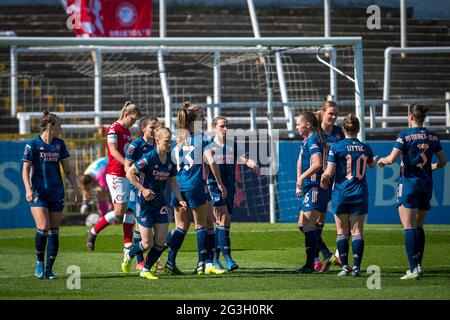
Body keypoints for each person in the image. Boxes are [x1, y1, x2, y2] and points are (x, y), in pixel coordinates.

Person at [377, 104, 446, 280]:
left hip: (409, 183)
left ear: (410, 116)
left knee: (408, 227)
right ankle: (419, 266)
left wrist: (382, 161)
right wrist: (433, 166)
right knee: (419, 226)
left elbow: (392, 159)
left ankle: (413, 268)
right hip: (426, 184)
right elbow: (443, 162)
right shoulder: (433, 136)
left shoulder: (405, 135)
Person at [164, 102, 227, 276]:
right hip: (195, 186)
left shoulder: (176, 140)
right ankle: (202, 264)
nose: (204, 119)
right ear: (193, 122)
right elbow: (212, 162)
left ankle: (170, 260)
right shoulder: (201, 139)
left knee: (180, 226)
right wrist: (220, 184)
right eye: (201, 118)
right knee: (202, 224)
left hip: (178, 187)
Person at [122, 123, 188, 280]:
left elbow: (173, 181)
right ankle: (129, 254)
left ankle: (145, 269)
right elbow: (130, 173)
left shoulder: (170, 159)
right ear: (157, 141)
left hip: (160, 204)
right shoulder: (149, 158)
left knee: (161, 241)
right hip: (144, 204)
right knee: (147, 244)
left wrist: (180, 199)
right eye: (166, 141)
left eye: (170, 141)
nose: (169, 144)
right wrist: (142, 189)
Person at [22, 110, 80, 279]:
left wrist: (75, 188)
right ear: (50, 126)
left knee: (54, 230)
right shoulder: (32, 144)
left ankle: (49, 270)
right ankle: (40, 262)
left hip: (56, 192)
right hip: (39, 192)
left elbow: (68, 169)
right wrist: (28, 189)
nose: (61, 128)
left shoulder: (59, 144)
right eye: (60, 125)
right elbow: (25, 169)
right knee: (43, 227)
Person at [320, 114, 376, 277]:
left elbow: (329, 172)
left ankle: (345, 266)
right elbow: (371, 164)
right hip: (360, 193)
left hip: (342, 193)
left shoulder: (336, 147)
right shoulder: (366, 148)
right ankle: (357, 267)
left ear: (343, 129)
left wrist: (323, 178)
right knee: (357, 231)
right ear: (358, 130)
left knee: (342, 231)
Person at [206, 116, 260, 271]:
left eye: (227, 126)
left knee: (223, 223)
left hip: (230, 187)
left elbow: (245, 159)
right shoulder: (209, 146)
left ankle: (215, 259)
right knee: (223, 220)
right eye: (222, 126)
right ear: (214, 127)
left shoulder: (233, 145)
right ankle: (228, 258)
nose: (225, 129)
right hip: (214, 186)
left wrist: (253, 164)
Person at [87, 101, 141, 252]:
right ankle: (93, 232)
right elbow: (113, 151)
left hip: (127, 173)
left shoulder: (126, 130)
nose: (134, 123)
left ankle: (127, 244)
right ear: (126, 114)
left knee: (130, 208)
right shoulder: (113, 129)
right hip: (116, 174)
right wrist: (127, 165)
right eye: (133, 119)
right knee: (119, 211)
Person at [295, 111, 328, 274]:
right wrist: (299, 182)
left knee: (308, 225)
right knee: (303, 225)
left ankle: (310, 264)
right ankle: (325, 254)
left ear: (307, 124)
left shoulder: (314, 139)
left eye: (298, 123)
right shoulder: (307, 140)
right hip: (308, 186)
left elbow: (317, 164)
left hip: (314, 186)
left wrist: (301, 178)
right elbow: (301, 162)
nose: (296, 127)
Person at [124, 116, 159, 271]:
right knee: (140, 223)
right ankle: (140, 261)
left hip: (154, 189)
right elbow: (128, 168)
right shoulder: (136, 145)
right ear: (143, 128)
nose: (154, 130)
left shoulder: (159, 144)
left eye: (156, 127)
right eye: (152, 127)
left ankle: (147, 259)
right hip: (138, 190)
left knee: (153, 227)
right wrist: (139, 187)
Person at [315, 100, 344, 271]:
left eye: (335, 114)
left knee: (340, 218)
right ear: (323, 113)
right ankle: (326, 255)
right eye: (330, 113)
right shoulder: (315, 133)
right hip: (318, 181)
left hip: (337, 181)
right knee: (311, 223)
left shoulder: (340, 133)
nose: (333, 117)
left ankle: (333, 257)